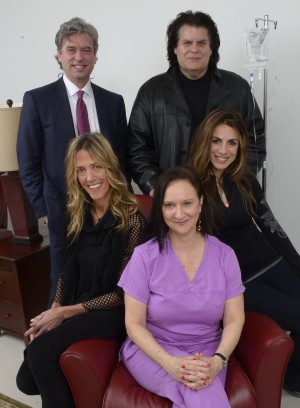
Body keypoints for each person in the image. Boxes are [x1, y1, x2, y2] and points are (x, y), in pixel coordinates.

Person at [16, 133, 146, 408]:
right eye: (81, 170)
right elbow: (66, 269)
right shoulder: (76, 214)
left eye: (97, 166)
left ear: (111, 167)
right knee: (25, 381)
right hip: (77, 300)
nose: (90, 177)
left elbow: (124, 294)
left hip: (114, 310)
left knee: (40, 354)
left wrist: (65, 313)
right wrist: (54, 309)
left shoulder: (132, 221)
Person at [188, 107, 300, 398]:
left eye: (232, 143)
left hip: (270, 261)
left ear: (240, 147)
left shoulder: (245, 179)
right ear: (205, 141)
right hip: (239, 281)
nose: (223, 150)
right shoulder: (189, 187)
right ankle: (292, 377)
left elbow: (271, 227)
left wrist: (298, 265)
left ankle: (294, 371)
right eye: (217, 141)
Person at [16, 17, 128, 303]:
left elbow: (121, 156)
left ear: (95, 56)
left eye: (87, 50)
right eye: (71, 49)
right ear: (59, 55)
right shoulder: (37, 100)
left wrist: (121, 198)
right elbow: (27, 160)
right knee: (64, 278)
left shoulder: (113, 102)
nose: (79, 57)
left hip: (107, 208)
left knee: (108, 274)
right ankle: (58, 333)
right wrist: (42, 209)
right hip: (61, 208)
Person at [118, 167, 245, 407]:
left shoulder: (225, 255)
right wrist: (171, 364)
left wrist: (218, 361)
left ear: (201, 202)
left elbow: (234, 319)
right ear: (161, 209)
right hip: (152, 350)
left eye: (187, 203)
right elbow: (133, 324)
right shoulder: (144, 257)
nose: (179, 214)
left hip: (208, 350)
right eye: (169, 205)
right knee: (199, 390)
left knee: (198, 386)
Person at [127, 10, 265, 196]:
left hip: (224, 198)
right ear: (175, 48)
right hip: (173, 201)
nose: (194, 49)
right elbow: (137, 149)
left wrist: (234, 184)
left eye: (201, 43)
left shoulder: (238, 88)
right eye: (187, 43)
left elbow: (255, 140)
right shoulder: (151, 92)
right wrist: (156, 188)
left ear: (211, 48)